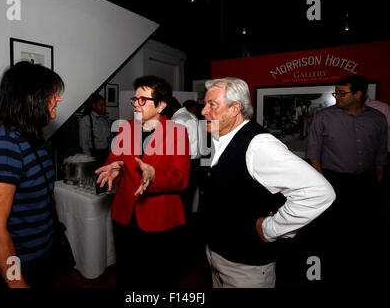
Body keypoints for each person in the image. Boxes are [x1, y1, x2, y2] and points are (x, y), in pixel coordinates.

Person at [199, 77, 335, 288]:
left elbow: (319, 192)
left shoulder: (259, 146)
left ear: (235, 108)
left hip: (245, 266)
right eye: (205, 104)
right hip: (218, 254)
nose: (203, 111)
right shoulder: (219, 138)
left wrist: (271, 229)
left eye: (212, 105)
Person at [95, 75, 190, 289]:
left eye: (143, 100)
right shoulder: (125, 128)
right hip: (125, 215)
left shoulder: (177, 133)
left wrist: (155, 175)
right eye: (134, 99)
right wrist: (114, 168)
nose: (136, 104)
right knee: (128, 274)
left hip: (160, 218)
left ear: (161, 105)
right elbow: (115, 159)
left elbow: (181, 178)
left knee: (162, 276)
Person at [0, 61, 65, 288]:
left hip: (40, 258)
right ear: (31, 97)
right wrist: (17, 282)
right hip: (17, 267)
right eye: (53, 93)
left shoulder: (31, 137)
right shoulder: (4, 144)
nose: (58, 99)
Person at [306, 75, 388, 285]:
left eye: (342, 93)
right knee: (333, 231)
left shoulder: (377, 118)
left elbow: (380, 153)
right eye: (336, 93)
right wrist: (322, 183)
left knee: (364, 229)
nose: (337, 97)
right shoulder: (324, 117)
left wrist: (378, 178)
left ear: (359, 94)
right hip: (335, 181)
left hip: (367, 182)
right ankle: (327, 273)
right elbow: (313, 153)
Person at [79, 92, 111, 166]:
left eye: (104, 105)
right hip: (93, 157)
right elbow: (84, 144)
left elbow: (109, 139)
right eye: (101, 105)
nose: (104, 107)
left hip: (106, 156)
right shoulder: (86, 120)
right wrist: (89, 161)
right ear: (93, 105)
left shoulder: (106, 119)